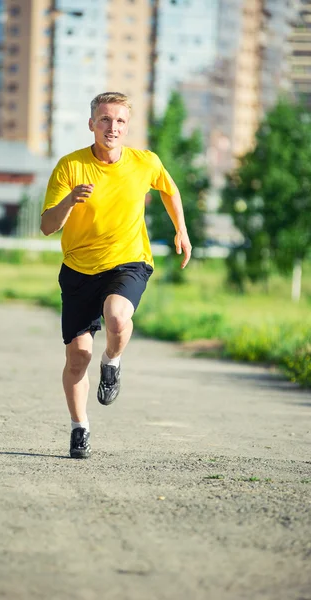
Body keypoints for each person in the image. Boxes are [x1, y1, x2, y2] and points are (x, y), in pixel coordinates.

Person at [40, 91, 192, 459]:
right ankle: (80, 428)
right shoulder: (70, 167)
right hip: (78, 269)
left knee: (117, 315)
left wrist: (181, 230)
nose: (113, 127)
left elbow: (170, 192)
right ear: (92, 124)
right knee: (77, 358)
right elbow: (47, 226)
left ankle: (112, 361)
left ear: (128, 126)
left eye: (120, 120)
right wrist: (69, 201)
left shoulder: (145, 162)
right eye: (105, 120)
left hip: (129, 260)